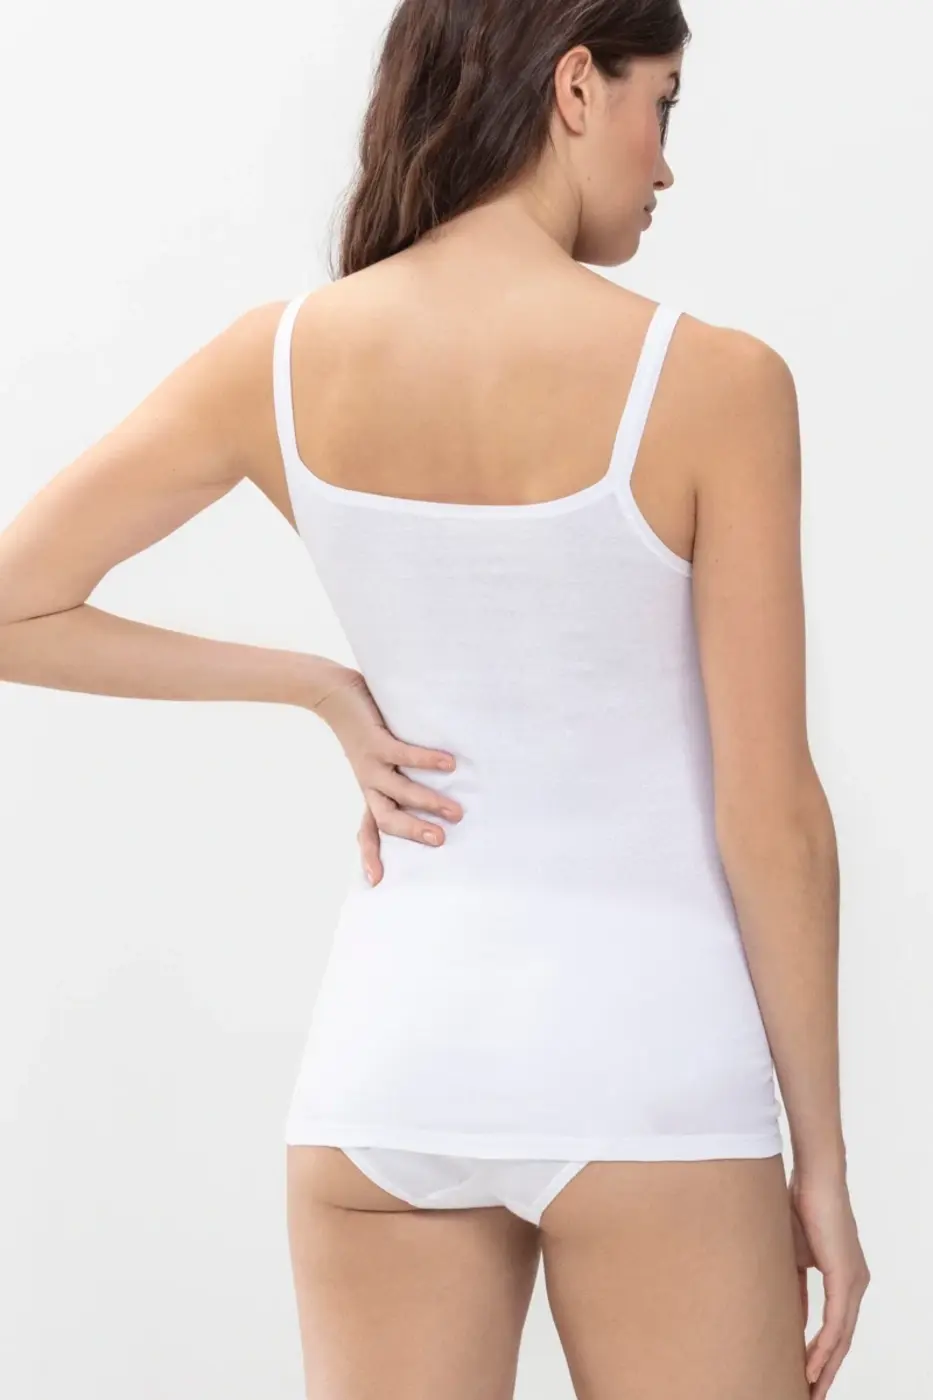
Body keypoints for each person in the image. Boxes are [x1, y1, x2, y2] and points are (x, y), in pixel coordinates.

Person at [0, 0, 871, 1396]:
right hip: (649, 1070)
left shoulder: (278, 360)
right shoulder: (716, 382)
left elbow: (15, 602)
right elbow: (774, 819)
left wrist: (315, 690)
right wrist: (822, 1161)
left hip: (388, 1071)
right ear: (577, 87)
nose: (665, 162)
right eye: (662, 105)